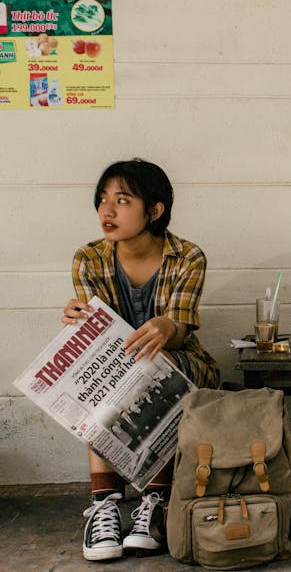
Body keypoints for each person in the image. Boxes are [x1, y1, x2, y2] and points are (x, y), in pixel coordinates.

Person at [61, 158, 220, 561]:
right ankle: (106, 506)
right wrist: (75, 323)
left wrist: (169, 327)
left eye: (122, 200)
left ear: (155, 210)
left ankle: (155, 503)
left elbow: (183, 330)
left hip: (183, 364)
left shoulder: (187, 256)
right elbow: (97, 343)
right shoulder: (89, 259)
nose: (107, 212)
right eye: (102, 200)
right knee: (100, 378)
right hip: (117, 369)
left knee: (151, 367)